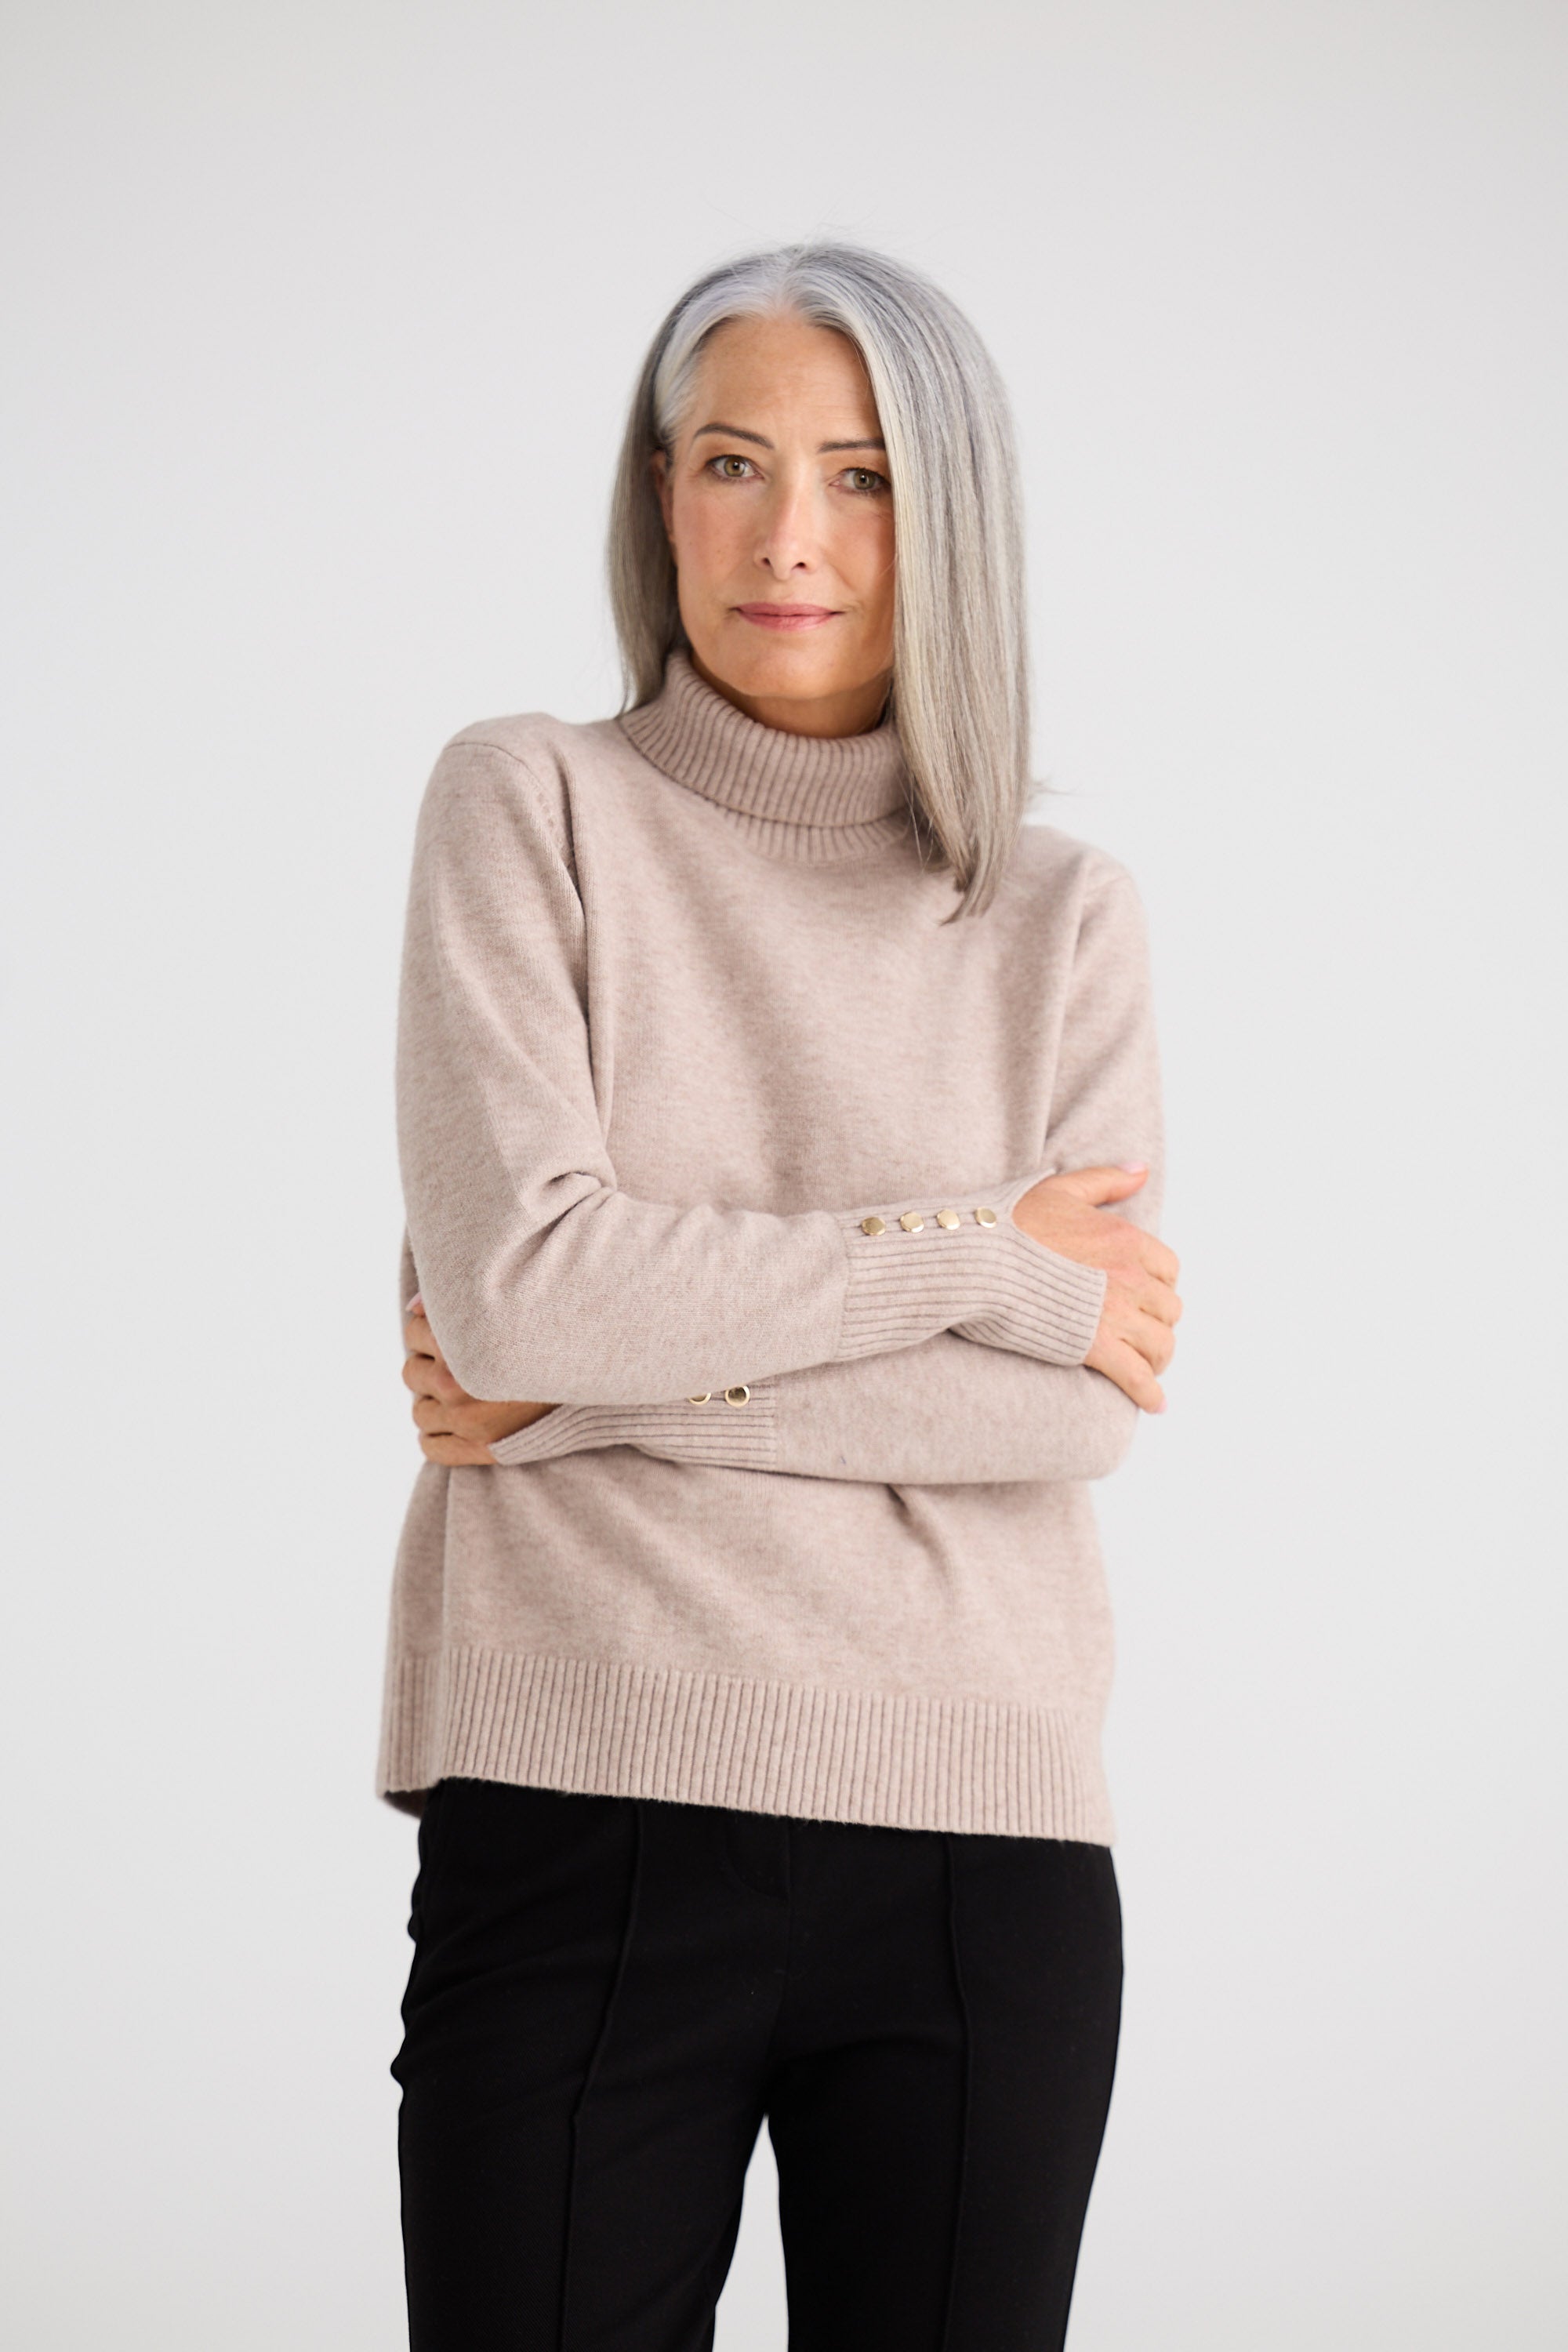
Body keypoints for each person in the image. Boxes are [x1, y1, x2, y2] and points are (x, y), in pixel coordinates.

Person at [383, 241, 1181, 2352]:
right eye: (733, 463)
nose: (793, 537)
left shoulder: (1064, 916)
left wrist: (582, 1393)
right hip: (582, 1807)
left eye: (866, 473)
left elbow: (1071, 1409)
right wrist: (972, 1264)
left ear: (954, 515)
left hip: (980, 1853)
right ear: (661, 493)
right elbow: (532, 1285)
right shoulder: (531, 805)